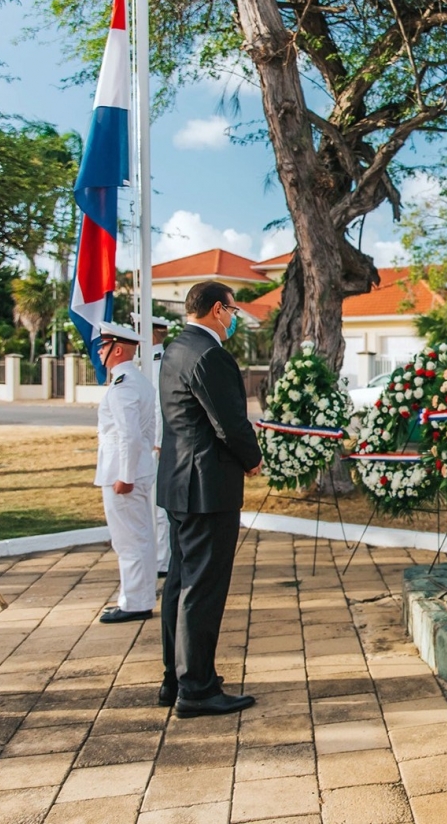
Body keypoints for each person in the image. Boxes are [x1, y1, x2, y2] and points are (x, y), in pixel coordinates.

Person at [157, 281, 261, 717]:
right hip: (207, 487)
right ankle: (197, 689)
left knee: (180, 583)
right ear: (218, 310)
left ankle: (176, 678)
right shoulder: (209, 354)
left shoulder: (176, 348)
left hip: (179, 484)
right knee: (202, 589)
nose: (234, 319)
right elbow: (229, 422)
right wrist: (252, 459)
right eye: (233, 311)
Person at [94, 321, 159, 624]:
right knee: (140, 537)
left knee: (129, 541)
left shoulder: (123, 386)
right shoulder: (139, 381)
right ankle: (140, 597)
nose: (99, 351)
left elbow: (129, 435)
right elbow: (149, 430)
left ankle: (134, 603)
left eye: (103, 346)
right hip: (137, 468)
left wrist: (126, 476)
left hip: (123, 474)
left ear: (117, 350)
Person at [132, 313, 173, 576]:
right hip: (147, 445)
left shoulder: (158, 363)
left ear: (151, 334)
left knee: (158, 507)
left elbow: (159, 406)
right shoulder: (147, 362)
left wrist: (157, 442)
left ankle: (161, 560)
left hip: (156, 446)